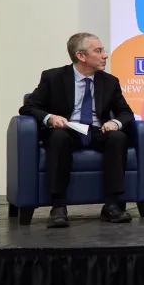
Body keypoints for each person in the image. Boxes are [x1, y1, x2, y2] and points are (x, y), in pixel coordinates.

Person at [19, 32, 135, 228]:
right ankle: (58, 207)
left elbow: (126, 113)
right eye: (98, 51)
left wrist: (115, 123)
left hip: (97, 131)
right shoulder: (53, 77)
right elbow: (29, 107)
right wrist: (50, 118)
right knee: (58, 138)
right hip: (67, 129)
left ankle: (112, 205)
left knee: (118, 138)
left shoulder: (110, 81)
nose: (105, 55)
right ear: (81, 56)